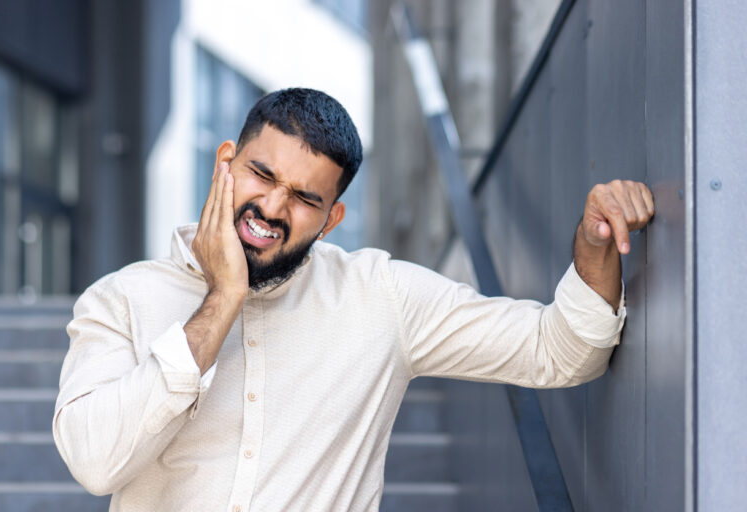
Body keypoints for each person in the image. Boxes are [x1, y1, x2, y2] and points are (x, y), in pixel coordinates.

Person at [53, 88, 654, 511]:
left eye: (304, 199)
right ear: (226, 164)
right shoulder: (122, 299)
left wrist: (593, 242)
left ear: (332, 218)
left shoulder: (381, 297)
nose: (272, 208)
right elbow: (95, 462)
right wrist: (223, 297)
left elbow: (563, 351)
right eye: (262, 175)